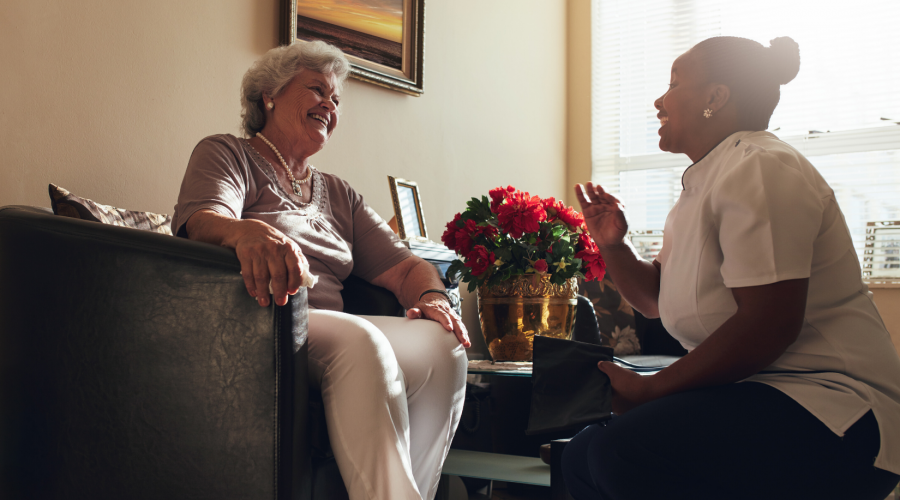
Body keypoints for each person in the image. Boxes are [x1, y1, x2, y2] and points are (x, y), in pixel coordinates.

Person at [563, 36, 900, 499]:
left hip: (833, 408)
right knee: (580, 454)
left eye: (674, 84)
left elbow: (769, 323)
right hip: (754, 392)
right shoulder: (706, 181)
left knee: (622, 451)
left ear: (715, 98)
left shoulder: (761, 166)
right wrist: (613, 246)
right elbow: (656, 300)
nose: (659, 101)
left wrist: (651, 389)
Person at [171, 41, 469, 500]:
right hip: (263, 318)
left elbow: (407, 268)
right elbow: (203, 220)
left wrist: (432, 298)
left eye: (336, 99)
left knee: (442, 345)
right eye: (317, 90)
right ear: (269, 94)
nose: (330, 104)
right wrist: (247, 231)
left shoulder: (338, 193)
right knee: (361, 339)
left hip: (330, 327)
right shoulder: (227, 153)